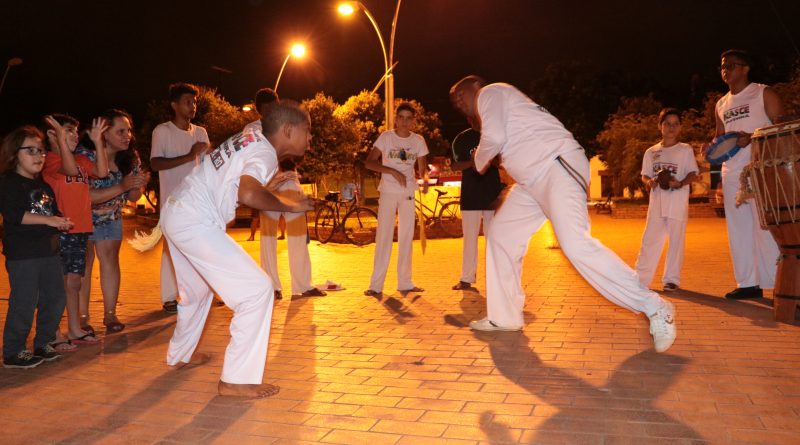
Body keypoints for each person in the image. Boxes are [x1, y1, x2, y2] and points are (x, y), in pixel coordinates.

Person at [450, 76, 676, 353]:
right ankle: (504, 316)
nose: (458, 101)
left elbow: (493, 140)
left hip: (557, 166)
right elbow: (503, 141)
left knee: (575, 245)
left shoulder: (492, 92)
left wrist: (477, 161)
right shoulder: (496, 108)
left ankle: (655, 307)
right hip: (531, 182)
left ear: (476, 86)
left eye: (460, 93)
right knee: (500, 234)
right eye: (454, 102)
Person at [160, 100, 314, 398]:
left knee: (197, 292)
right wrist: (291, 204)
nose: (310, 139)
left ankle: (180, 355)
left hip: (176, 211)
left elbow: (238, 181)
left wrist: (272, 189)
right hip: (194, 220)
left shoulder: (253, 137)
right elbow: (247, 192)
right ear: (287, 130)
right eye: (307, 131)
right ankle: (236, 379)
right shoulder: (265, 152)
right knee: (257, 290)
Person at [1, 126, 73, 368]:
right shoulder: (9, 183)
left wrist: (61, 220)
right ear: (13, 154)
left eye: (41, 151)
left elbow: (53, 213)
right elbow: (14, 215)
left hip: (49, 252)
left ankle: (43, 342)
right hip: (23, 255)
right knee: (24, 301)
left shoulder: (44, 186)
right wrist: (49, 220)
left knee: (55, 298)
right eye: (30, 150)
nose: (38, 156)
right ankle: (13, 351)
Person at [714, 49, 784, 300]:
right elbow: (719, 138)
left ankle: (777, 282)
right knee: (738, 229)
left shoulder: (763, 93)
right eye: (723, 66)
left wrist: (752, 138)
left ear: (745, 68)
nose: (726, 70)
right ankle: (748, 283)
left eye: (732, 65)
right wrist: (709, 148)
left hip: (761, 168)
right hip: (732, 172)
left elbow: (782, 130)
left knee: (765, 226)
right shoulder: (721, 104)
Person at [77, 109, 149, 334]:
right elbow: (85, 196)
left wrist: (138, 184)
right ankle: (82, 318)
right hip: (82, 217)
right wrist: (122, 186)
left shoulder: (130, 157)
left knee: (110, 262)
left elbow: (133, 197)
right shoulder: (84, 156)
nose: (127, 135)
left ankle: (110, 315)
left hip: (111, 217)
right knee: (84, 266)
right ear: (105, 134)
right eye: (121, 131)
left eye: (129, 130)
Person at [42, 114, 109, 348]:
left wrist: (99, 141)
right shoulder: (50, 161)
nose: (73, 135)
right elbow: (68, 170)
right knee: (59, 283)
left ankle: (74, 328)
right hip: (61, 230)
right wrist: (61, 139)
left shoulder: (80, 159)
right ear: (52, 135)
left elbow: (102, 172)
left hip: (80, 228)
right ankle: (52, 331)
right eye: (67, 131)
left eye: (74, 131)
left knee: (74, 282)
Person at [150, 83, 211, 314]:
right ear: (174, 105)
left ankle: (199, 291)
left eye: (194, 102)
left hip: (197, 202)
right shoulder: (162, 131)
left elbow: (206, 168)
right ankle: (169, 296)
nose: (192, 106)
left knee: (200, 247)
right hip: (172, 203)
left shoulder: (201, 133)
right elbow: (156, 163)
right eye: (187, 101)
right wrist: (189, 155)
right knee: (171, 249)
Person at [364, 103, 429, 297]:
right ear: (396, 118)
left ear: (413, 121)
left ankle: (405, 283)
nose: (404, 121)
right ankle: (376, 285)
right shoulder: (386, 138)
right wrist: (392, 170)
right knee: (383, 236)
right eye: (401, 117)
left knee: (406, 236)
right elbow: (369, 162)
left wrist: (425, 181)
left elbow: (422, 169)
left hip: (408, 191)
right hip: (388, 192)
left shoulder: (418, 141)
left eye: (409, 118)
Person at [635, 108, 698, 292]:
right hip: (657, 203)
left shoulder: (685, 150)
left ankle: (671, 279)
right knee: (650, 240)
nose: (671, 127)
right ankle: (640, 278)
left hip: (677, 202)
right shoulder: (651, 152)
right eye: (667, 123)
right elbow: (645, 175)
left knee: (676, 241)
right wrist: (650, 183)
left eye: (675, 124)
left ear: (680, 127)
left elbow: (693, 173)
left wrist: (680, 183)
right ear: (660, 126)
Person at [449, 116, 505, 291]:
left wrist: (488, 159)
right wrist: (473, 162)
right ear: (468, 118)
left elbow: (503, 161)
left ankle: (496, 279)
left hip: (492, 195)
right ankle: (466, 279)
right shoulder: (461, 138)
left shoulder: (495, 136)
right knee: (469, 240)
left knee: (494, 239)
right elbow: (455, 166)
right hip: (471, 195)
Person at [259, 157, 326, 299]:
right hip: (269, 191)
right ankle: (271, 287)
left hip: (292, 190)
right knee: (268, 242)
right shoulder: (268, 146)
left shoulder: (292, 149)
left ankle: (303, 286)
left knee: (299, 240)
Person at [245, 88, 282, 242]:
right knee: (268, 239)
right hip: (264, 188)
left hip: (282, 186)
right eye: (275, 106)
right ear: (266, 108)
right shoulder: (252, 129)